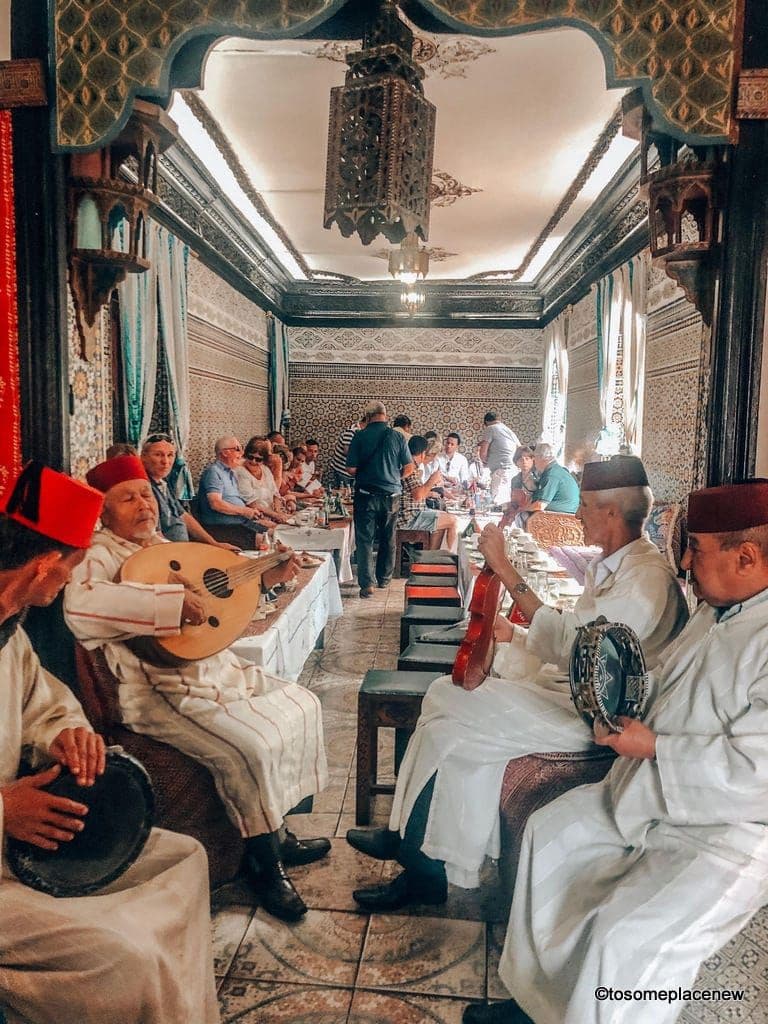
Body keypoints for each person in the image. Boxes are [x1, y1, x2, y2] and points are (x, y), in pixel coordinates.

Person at [464, 478, 768, 1024]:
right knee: (550, 834)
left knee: (622, 942)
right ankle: (537, 1004)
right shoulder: (716, 613)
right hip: (647, 793)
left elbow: (758, 773)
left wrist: (655, 747)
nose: (686, 564)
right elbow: (664, 682)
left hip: (727, 836)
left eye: (695, 549)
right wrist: (622, 700)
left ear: (746, 556)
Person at [348, 456, 688, 910]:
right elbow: (577, 638)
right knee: (446, 711)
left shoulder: (645, 580)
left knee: (449, 712)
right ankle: (413, 845)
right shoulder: (616, 565)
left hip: (597, 717)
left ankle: (420, 858)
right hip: (569, 693)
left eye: (584, 506)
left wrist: (508, 571)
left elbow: (578, 647)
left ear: (610, 512)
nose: (577, 515)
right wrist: (520, 635)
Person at [63, 454, 330, 923]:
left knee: (302, 702)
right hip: (158, 690)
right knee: (246, 748)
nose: (143, 504)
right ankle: (264, 864)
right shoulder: (97, 553)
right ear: (104, 512)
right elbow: (81, 609)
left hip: (214, 672)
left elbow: (212, 604)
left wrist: (267, 579)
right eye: (127, 498)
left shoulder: (159, 542)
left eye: (146, 493)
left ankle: (279, 831)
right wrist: (167, 601)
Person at [0, 463, 219, 1024]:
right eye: (71, 567)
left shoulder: (10, 631)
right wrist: (5, 809)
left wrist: (66, 732)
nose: (69, 581)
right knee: (127, 957)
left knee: (186, 856)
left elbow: (42, 702)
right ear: (46, 565)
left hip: (28, 831)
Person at [346, 401, 413, 598]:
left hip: (365, 495)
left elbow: (350, 469)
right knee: (388, 537)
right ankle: (384, 578)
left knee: (365, 539)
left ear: (367, 416)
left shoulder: (359, 436)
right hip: (392, 495)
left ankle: (367, 584)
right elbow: (409, 468)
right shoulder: (397, 436)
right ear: (385, 415)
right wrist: (392, 478)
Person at [141, 432, 239, 547]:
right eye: (158, 455)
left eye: (170, 455)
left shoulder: (163, 483)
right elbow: (155, 537)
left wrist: (214, 543)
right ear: (143, 456)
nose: (166, 462)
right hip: (168, 555)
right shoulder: (144, 489)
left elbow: (184, 516)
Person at [196, 435, 268, 546]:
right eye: (238, 449)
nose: (242, 453)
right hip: (222, 528)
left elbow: (235, 501)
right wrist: (244, 511)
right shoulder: (213, 472)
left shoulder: (231, 473)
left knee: (276, 534)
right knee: (266, 542)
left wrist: (251, 512)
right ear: (225, 453)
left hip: (241, 523)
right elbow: (216, 503)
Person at [398, 436, 458, 552]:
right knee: (453, 520)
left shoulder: (409, 465)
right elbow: (418, 495)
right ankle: (449, 558)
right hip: (410, 518)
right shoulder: (410, 468)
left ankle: (430, 559)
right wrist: (432, 480)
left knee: (442, 520)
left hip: (413, 514)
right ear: (422, 453)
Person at [235, 437, 290, 525]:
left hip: (271, 515)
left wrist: (278, 511)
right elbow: (251, 503)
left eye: (258, 459)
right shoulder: (241, 472)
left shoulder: (265, 470)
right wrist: (275, 515)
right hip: (255, 517)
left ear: (264, 460)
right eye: (250, 457)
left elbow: (275, 494)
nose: (253, 461)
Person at [524, 441, 580, 516]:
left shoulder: (551, 475)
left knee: (523, 516)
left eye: (535, 458)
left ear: (542, 458)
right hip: (565, 511)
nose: (533, 461)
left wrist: (523, 510)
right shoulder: (553, 471)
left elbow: (540, 505)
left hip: (564, 514)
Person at [478, 412, 521, 505]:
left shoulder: (490, 428)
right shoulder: (509, 431)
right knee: (506, 502)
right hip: (513, 471)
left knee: (497, 502)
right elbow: (520, 448)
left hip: (501, 472)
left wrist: (485, 462)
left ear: (486, 422)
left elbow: (482, 453)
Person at [331, 417, 363, 489]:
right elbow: (347, 451)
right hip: (342, 470)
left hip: (351, 471)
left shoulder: (361, 432)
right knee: (345, 494)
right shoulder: (351, 431)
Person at [507, 444, 538, 510]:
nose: (524, 462)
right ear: (516, 463)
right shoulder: (515, 480)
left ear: (532, 460)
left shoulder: (538, 477)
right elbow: (514, 501)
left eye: (527, 459)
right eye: (521, 460)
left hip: (534, 509)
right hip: (519, 509)